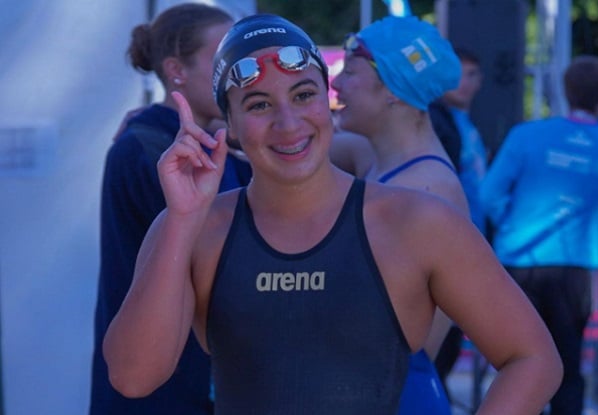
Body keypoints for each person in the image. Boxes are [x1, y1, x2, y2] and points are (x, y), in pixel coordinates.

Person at [102, 13, 562, 415]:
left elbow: (533, 357)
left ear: (328, 101)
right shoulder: (198, 229)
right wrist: (182, 219)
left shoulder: (418, 222)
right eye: (259, 104)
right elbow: (132, 377)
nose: (288, 122)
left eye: (304, 95)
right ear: (231, 125)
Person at [89, 4, 251, 415]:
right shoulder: (149, 150)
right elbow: (229, 253)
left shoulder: (206, 143)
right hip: (163, 388)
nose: (235, 72)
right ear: (176, 70)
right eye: (221, 59)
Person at [330, 16, 468, 414]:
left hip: (394, 396)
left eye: (349, 72)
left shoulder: (426, 190)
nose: (335, 85)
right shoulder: (374, 157)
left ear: (391, 88)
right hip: (368, 389)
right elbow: (281, 145)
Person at [480, 55, 598, 415]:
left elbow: (488, 196)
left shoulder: (526, 135)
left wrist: (513, 227)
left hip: (519, 262)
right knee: (566, 367)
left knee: (515, 366)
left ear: (565, 91)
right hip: (575, 270)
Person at [428, 47, 489, 398]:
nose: (463, 83)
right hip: (451, 248)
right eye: (457, 73)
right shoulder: (437, 123)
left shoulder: (463, 125)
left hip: (470, 245)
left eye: (471, 75)